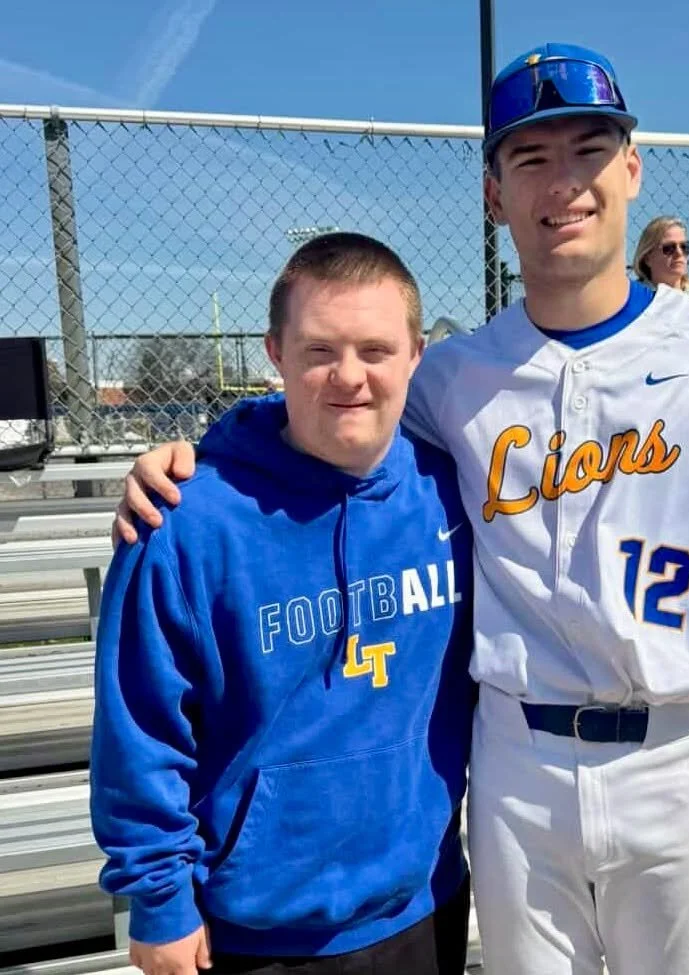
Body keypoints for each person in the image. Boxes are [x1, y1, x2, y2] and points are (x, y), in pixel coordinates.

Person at [113, 43, 689, 975]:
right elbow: (335, 404)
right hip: (516, 766)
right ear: (493, 194)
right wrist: (199, 453)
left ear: (630, 168)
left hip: (678, 759)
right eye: (530, 160)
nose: (564, 183)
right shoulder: (453, 376)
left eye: (589, 151)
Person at [92, 233, 476, 975]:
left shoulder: (455, 492)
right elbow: (139, 726)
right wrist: (158, 898)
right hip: (255, 930)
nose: (349, 376)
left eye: (375, 349)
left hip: (423, 899)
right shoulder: (185, 519)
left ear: (416, 354)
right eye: (318, 350)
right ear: (274, 352)